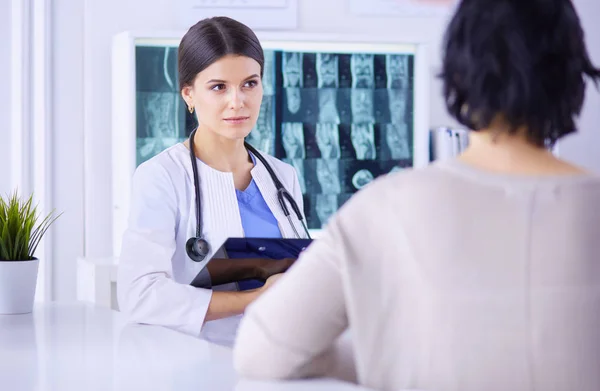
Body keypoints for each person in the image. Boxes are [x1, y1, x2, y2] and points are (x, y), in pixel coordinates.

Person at [233, 1, 600, 390]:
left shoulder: (385, 205)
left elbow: (262, 352)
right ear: (573, 76)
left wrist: (393, 356)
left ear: (457, 75)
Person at [117, 16, 308, 339]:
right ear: (189, 94)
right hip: (201, 362)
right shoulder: (161, 177)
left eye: (250, 83)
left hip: (282, 349)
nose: (238, 102)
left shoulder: (282, 176)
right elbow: (140, 295)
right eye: (219, 87)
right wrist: (252, 300)